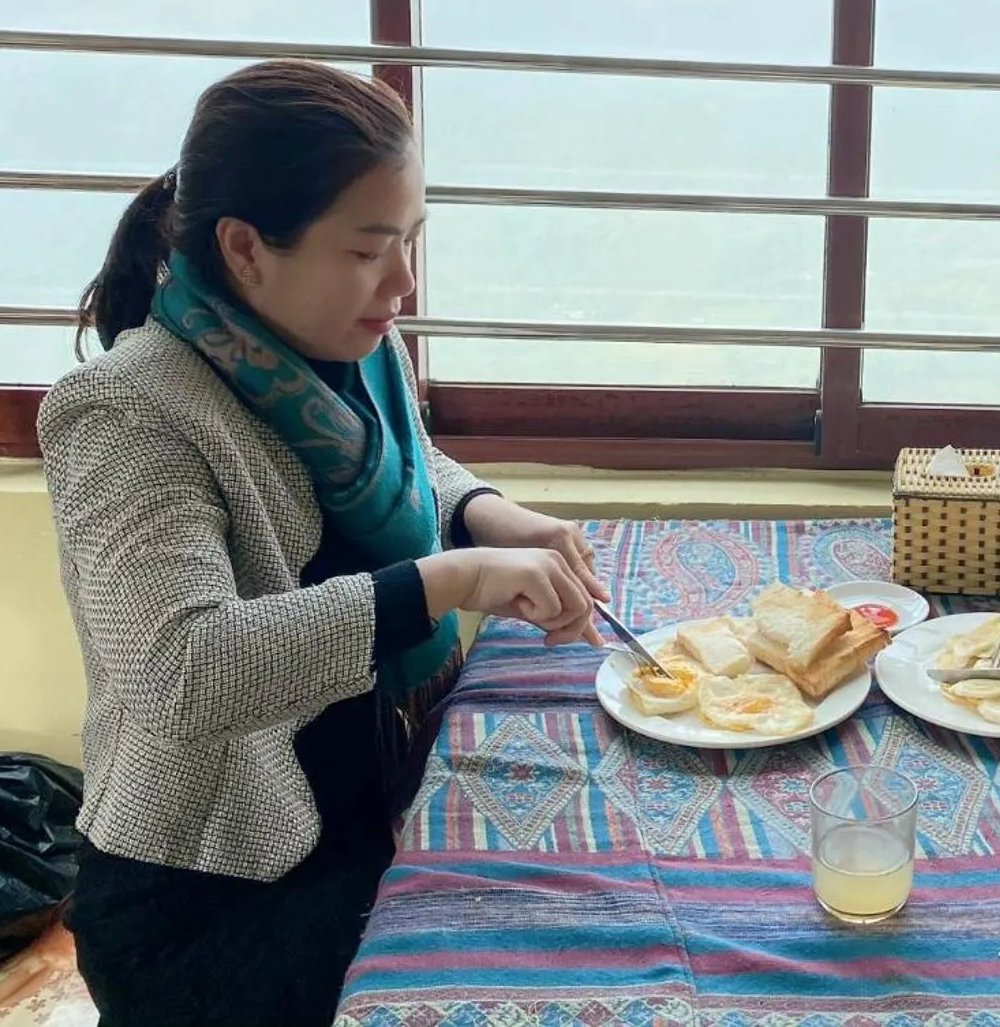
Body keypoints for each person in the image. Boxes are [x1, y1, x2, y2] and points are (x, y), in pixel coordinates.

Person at [40, 60, 608, 1027]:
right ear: (247, 248)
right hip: (215, 892)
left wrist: (482, 512)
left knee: (572, 916)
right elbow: (183, 673)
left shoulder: (352, 344)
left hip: (370, 807)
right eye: (369, 249)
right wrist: (449, 578)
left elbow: (407, 466)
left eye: (410, 241)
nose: (403, 283)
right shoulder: (127, 413)